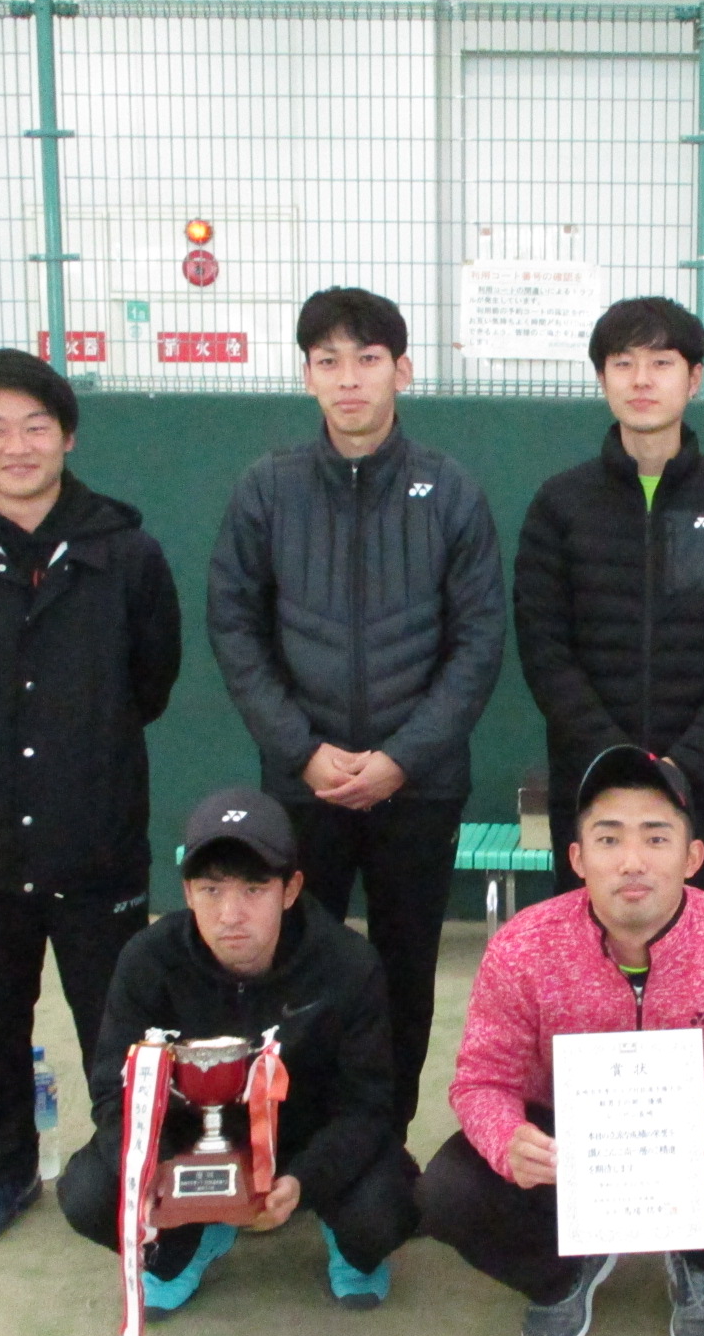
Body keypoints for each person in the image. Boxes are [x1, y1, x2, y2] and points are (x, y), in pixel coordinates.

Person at [0, 347, 182, 1252]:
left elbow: (150, 682)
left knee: (117, 1030)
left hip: (97, 847)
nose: (17, 446)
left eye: (36, 426)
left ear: (68, 436)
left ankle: (128, 1171)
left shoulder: (128, 557)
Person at [208, 286, 505, 1137]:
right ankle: (296, 1144)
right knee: (296, 968)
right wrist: (302, 752)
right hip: (302, 788)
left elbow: (479, 641)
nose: (348, 379)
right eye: (328, 361)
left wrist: (401, 759)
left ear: (401, 372)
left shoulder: (451, 491)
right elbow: (235, 628)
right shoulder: (266, 490)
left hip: (419, 787)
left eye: (367, 360)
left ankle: (382, 1146)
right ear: (306, 375)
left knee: (406, 971)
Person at [418, 746, 704, 1336]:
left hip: (702, 1143)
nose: (632, 861)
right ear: (577, 858)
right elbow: (481, 1079)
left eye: (656, 838)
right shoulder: (522, 947)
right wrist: (508, 1140)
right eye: (608, 840)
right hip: (568, 1145)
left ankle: (699, 1263)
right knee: (448, 1192)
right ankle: (566, 1271)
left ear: (693, 857)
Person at [58, 788, 417, 1316]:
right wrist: (161, 1172)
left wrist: (306, 1180)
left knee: (389, 1207)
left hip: (305, 1143)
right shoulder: (147, 960)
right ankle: (190, 1239)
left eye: (254, 889)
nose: (231, 914)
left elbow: (367, 1104)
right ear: (187, 892)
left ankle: (347, 1240)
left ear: (291, 889)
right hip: (191, 1149)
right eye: (211, 889)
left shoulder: (348, 963)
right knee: (89, 1195)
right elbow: (115, 1091)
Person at [513, 297, 704, 905]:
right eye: (623, 362)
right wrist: (615, 761)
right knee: (595, 950)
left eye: (661, 363)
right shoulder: (559, 505)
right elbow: (545, 649)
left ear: (694, 378)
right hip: (591, 784)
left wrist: (684, 767)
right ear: (602, 378)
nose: (641, 380)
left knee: (700, 950)